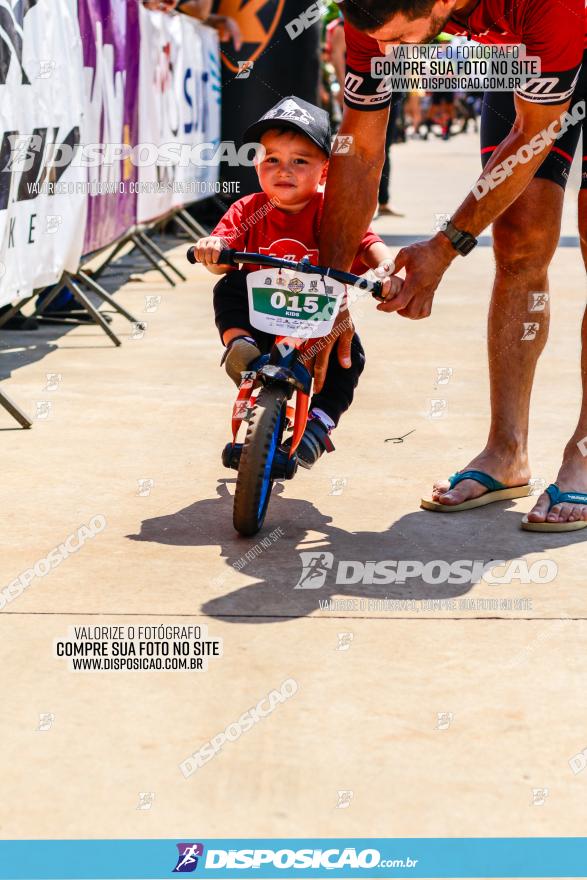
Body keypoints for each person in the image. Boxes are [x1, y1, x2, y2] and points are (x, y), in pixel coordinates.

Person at [314, 0, 587, 531]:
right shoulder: (373, 12)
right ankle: (506, 452)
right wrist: (328, 296)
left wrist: (443, 247)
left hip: (561, 22)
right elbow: (360, 150)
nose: (392, 56)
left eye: (402, 41)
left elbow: (536, 136)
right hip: (525, 55)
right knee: (519, 239)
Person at [192, 96, 394, 468]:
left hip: (316, 322)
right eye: (272, 160)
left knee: (350, 360)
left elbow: (366, 242)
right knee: (229, 285)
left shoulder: (331, 212)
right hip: (260, 318)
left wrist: (387, 268)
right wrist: (212, 249)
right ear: (256, 165)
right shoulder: (248, 209)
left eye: (299, 161)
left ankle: (320, 423)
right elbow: (223, 252)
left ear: (326, 171)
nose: (284, 170)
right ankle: (240, 346)